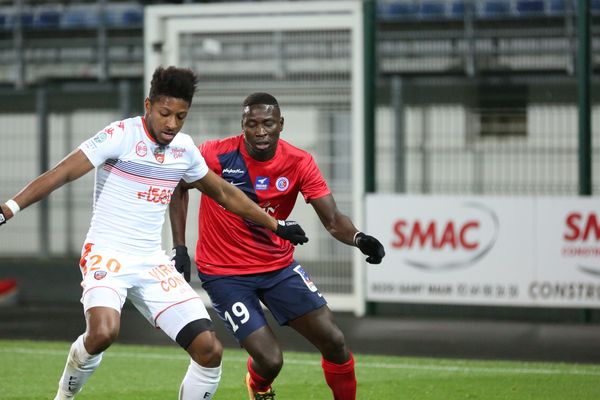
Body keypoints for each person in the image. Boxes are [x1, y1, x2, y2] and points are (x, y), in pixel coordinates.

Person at [0, 70, 308, 400]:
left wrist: (277, 226)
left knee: (209, 351)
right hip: (107, 254)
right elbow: (62, 172)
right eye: (164, 114)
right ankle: (64, 396)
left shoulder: (185, 149)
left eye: (180, 116)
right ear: (148, 106)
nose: (172, 124)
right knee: (104, 332)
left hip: (150, 261)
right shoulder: (120, 135)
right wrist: (8, 209)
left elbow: (225, 193)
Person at [169, 92, 385, 400]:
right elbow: (179, 187)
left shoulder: (299, 162)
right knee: (270, 360)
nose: (260, 131)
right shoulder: (215, 154)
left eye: (267, 123)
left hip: (278, 268)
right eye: (252, 124)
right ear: (242, 125)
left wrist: (360, 239)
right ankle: (259, 386)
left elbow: (333, 219)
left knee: (335, 341)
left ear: (280, 124)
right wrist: (180, 246)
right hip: (225, 274)